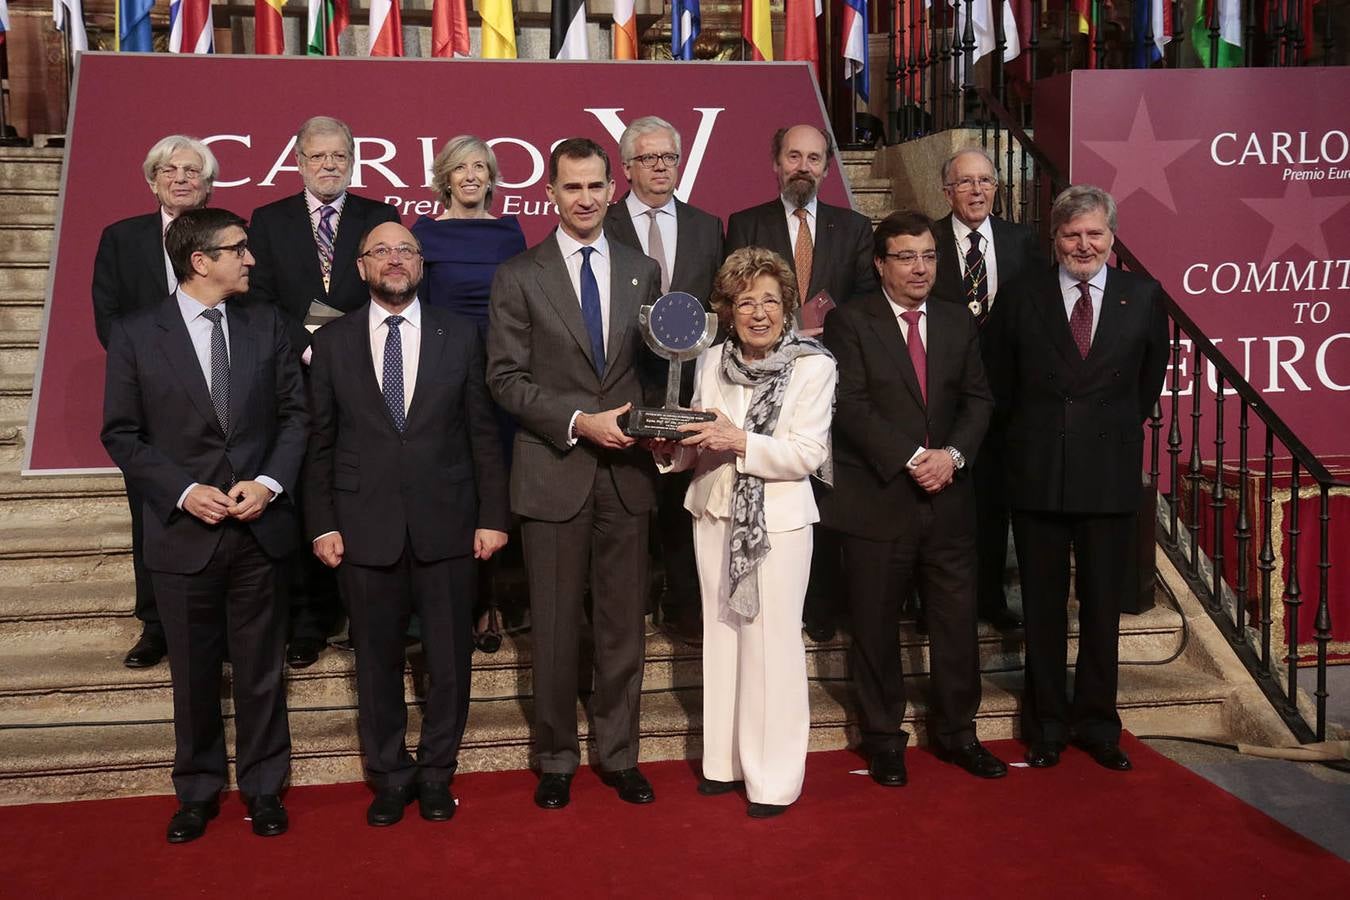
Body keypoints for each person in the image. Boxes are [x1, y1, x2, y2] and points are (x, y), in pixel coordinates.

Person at [100, 208, 308, 844]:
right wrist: (185, 491)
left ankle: (265, 789)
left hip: (258, 532)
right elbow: (122, 435)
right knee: (192, 675)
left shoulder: (267, 323)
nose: (250, 259)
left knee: (261, 671)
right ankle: (196, 790)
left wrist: (269, 484)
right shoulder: (137, 333)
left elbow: (297, 416)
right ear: (201, 261)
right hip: (182, 534)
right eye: (238, 250)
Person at [305, 221, 509, 826]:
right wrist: (321, 524)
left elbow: (483, 435)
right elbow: (319, 442)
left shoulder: (462, 334)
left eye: (406, 250)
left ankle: (438, 773)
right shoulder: (334, 341)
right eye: (381, 252)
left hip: (449, 525)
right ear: (362, 267)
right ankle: (390, 775)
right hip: (362, 529)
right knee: (376, 662)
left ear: (422, 264)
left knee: (450, 660)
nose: (395, 260)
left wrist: (493, 516)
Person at [487, 138, 662, 811]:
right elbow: (504, 377)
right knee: (556, 630)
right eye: (572, 187)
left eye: (595, 186)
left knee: (622, 629)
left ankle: (619, 755)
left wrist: (661, 429)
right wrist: (577, 421)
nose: (585, 198)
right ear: (551, 193)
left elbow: (656, 371)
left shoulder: (642, 269)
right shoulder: (519, 275)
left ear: (612, 190)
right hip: (553, 471)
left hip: (626, 476)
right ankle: (556, 756)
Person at [984, 185, 1169, 772]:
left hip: (1109, 473)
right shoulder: (1020, 296)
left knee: (1100, 607)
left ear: (1111, 239)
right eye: (1072, 234)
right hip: (1038, 472)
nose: (1083, 244)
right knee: (1041, 608)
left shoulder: (1142, 297)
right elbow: (999, 383)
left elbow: (1146, 383)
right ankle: (1046, 725)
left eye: (1094, 234)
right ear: (1054, 239)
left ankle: (1097, 723)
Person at [821, 210, 1004, 788]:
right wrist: (910, 457)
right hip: (878, 500)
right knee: (874, 627)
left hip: (949, 500)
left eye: (928, 255)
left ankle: (958, 734)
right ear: (881, 265)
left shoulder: (956, 320)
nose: (920, 267)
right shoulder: (850, 322)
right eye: (906, 256)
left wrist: (951, 456)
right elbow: (849, 405)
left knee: (955, 624)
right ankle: (883, 740)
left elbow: (979, 401)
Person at [653, 247, 835, 818]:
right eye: (746, 301)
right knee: (724, 637)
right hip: (714, 514)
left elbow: (807, 453)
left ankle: (774, 778)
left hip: (777, 525)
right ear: (727, 309)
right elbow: (699, 443)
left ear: (787, 307)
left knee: (772, 646)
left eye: (772, 302)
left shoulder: (813, 365)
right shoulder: (709, 361)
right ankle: (725, 762)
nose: (760, 313)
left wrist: (741, 442)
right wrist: (670, 451)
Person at [247, 115, 400, 669]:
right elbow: (257, 297)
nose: (329, 165)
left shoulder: (378, 216)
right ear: (299, 161)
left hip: (367, 367)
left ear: (352, 159)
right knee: (305, 486)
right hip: (295, 374)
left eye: (339, 156)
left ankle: (367, 616)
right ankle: (309, 621)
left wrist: (340, 344)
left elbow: (392, 282)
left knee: (366, 485)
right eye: (318, 157)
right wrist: (307, 346)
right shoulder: (267, 220)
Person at [725, 123, 878, 644]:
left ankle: (823, 605)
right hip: (762, 377)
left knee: (826, 494)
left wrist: (820, 334)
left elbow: (863, 302)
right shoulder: (745, 223)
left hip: (827, 374)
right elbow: (734, 296)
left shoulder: (854, 228)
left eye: (815, 158)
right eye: (794, 156)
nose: (804, 167)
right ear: (776, 162)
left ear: (827, 168)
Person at [92, 134, 218, 669]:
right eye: (170, 170)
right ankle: (155, 625)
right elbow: (109, 320)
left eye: (192, 170)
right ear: (152, 181)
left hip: (221, 394)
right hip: (149, 402)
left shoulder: (230, 236)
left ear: (207, 183)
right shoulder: (121, 239)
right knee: (150, 513)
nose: (182, 178)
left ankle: (222, 625)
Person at [603, 115, 725, 641]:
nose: (660, 166)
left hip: (690, 385)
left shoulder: (706, 225)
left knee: (682, 500)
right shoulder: (602, 225)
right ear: (627, 167)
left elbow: (717, 304)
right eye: (648, 158)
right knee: (623, 501)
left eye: (669, 157)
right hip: (620, 380)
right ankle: (620, 609)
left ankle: (683, 603)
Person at [411, 135, 527, 653]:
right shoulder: (423, 235)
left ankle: (494, 600)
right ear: (446, 177)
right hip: (446, 371)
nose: (472, 175)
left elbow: (525, 306)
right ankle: (458, 600)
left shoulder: (509, 233)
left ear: (492, 176)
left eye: (481, 166)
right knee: (454, 484)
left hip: (503, 370)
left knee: (496, 481)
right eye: (462, 167)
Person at [930, 147, 1046, 632]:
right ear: (947, 190)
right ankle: (932, 602)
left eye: (985, 181)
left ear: (996, 188)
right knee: (939, 506)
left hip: (1005, 400)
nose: (977, 191)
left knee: (995, 503)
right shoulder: (927, 240)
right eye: (965, 182)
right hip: (941, 396)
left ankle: (991, 598)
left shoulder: (1025, 241)